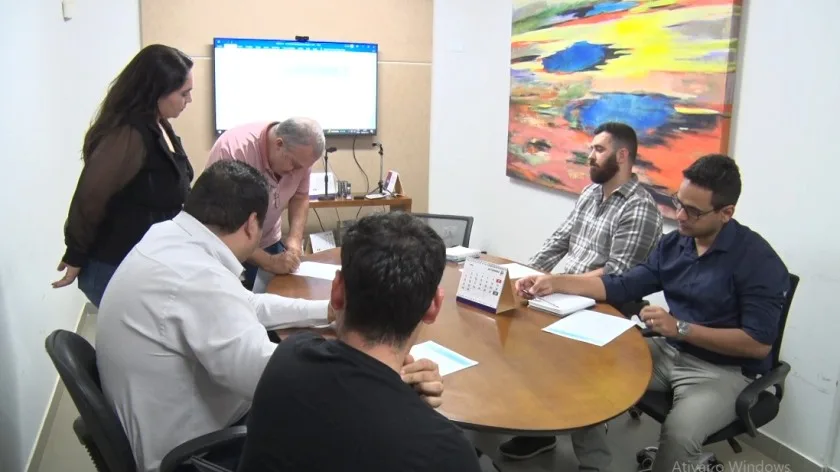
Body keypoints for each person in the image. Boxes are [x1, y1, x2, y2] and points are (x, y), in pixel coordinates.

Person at [516, 155, 790, 472]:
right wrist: (554, 282)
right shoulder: (676, 244)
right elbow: (622, 285)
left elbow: (758, 344)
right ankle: (594, 464)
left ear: (726, 213)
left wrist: (681, 328)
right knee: (580, 371)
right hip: (669, 351)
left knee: (679, 434)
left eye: (694, 211)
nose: (680, 215)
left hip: (723, 372)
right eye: (678, 202)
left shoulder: (758, 261)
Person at [236, 212, 483, 472]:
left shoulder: (288, 356)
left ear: (337, 292)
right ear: (434, 307)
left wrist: (399, 393)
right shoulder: (446, 452)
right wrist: (407, 404)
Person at [500, 122, 663, 470]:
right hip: (560, 291)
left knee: (569, 370)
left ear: (622, 156)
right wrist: (528, 274)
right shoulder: (591, 193)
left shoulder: (640, 208)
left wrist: (557, 282)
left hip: (601, 303)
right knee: (515, 339)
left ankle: (594, 462)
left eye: (598, 150)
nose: (590, 156)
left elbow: (617, 274)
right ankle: (539, 430)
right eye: (591, 149)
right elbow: (559, 240)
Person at [52, 44, 196, 307]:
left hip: (143, 264)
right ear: (157, 93)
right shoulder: (127, 134)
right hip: (114, 267)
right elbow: (90, 197)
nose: (189, 101)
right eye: (183, 94)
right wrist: (75, 254)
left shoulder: (159, 123)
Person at [204, 117, 325, 289]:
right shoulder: (233, 150)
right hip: (229, 248)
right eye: (295, 164)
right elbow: (220, 226)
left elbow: (300, 196)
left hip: (269, 240)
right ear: (279, 144)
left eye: (303, 168)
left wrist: (295, 239)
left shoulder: (301, 157)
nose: (296, 172)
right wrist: (268, 262)